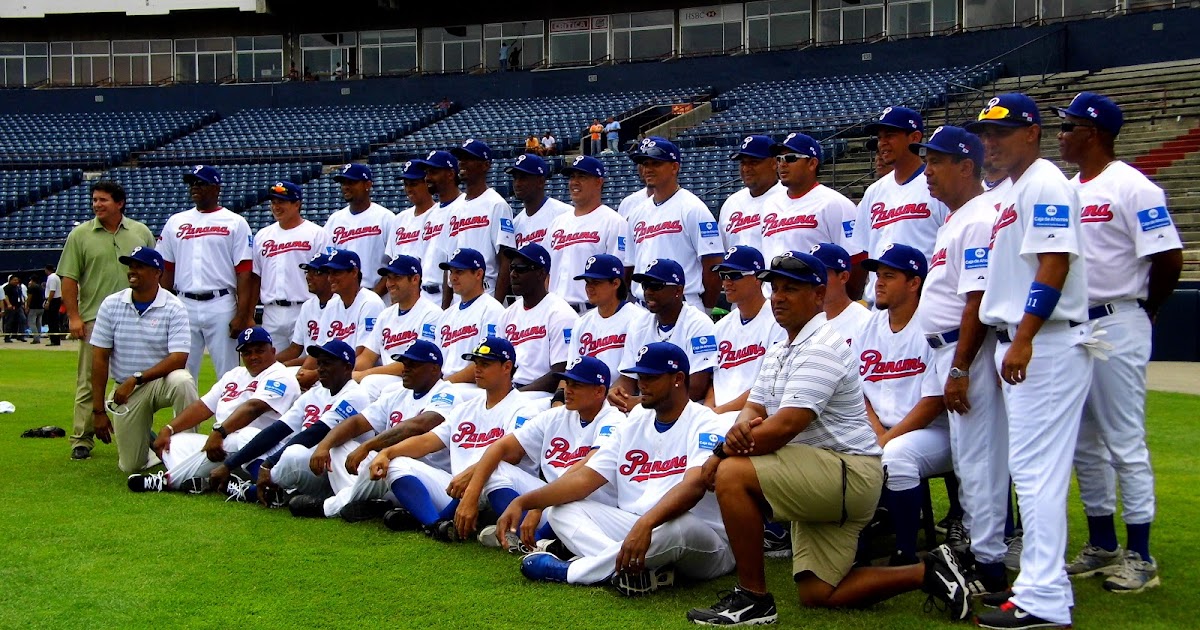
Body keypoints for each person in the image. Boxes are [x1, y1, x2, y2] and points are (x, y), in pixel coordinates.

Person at [684, 251, 970, 626]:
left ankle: (753, 599)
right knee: (819, 593)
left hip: (848, 472)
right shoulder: (781, 348)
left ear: (819, 296)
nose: (779, 296)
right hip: (821, 472)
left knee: (733, 474)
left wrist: (721, 453)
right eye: (776, 288)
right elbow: (755, 409)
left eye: (792, 288)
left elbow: (783, 427)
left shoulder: (821, 345)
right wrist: (743, 425)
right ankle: (927, 571)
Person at [966, 93, 1094, 629]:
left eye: (1002, 132)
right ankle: (1043, 589)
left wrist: (1023, 337)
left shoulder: (1042, 181)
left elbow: (1054, 263)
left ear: (1033, 133)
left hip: (1045, 342)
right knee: (1033, 471)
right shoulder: (1016, 188)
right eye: (986, 133)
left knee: (1037, 473)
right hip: (1029, 341)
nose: (990, 143)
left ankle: (1042, 600)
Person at [1057, 92, 1182, 593]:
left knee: (1125, 441)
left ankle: (1141, 554)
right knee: (1085, 443)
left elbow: (1168, 258)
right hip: (1073, 323)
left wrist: (1147, 308)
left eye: (1070, 127)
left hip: (1117, 316)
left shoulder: (1134, 187)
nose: (1061, 135)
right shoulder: (1066, 188)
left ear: (1095, 132)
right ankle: (1103, 543)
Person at [502, 342, 735, 597]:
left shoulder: (707, 422)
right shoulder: (634, 420)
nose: (641, 384)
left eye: (650, 377)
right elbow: (585, 478)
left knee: (679, 526)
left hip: (703, 539)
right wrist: (526, 502)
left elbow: (695, 486)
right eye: (639, 377)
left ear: (678, 379)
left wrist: (647, 523)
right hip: (637, 525)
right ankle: (636, 569)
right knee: (562, 511)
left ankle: (571, 572)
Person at [912, 125, 1010, 596]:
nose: (927, 172)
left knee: (978, 459)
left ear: (966, 165)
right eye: (927, 161)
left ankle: (989, 563)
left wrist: (959, 367)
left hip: (963, 349)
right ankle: (984, 548)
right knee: (972, 458)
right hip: (947, 349)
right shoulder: (958, 217)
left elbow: (977, 300)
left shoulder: (975, 217)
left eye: (937, 162)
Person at [368, 336, 540, 540]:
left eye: (485, 364)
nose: (477, 369)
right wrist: (387, 452)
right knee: (397, 462)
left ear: (507, 367)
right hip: (458, 490)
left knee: (493, 469)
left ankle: (525, 536)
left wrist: (471, 477)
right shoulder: (465, 409)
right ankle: (437, 525)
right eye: (476, 363)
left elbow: (513, 454)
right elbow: (427, 441)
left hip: (505, 491)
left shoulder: (524, 408)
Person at [287, 340, 465, 520]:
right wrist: (325, 444)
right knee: (339, 447)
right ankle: (370, 504)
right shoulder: (398, 393)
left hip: (434, 477)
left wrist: (368, 446)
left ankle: (330, 506)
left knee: (394, 461)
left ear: (434, 369)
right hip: (397, 473)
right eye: (404, 363)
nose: (405, 369)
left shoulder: (446, 393)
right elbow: (357, 422)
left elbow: (419, 425)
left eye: (413, 365)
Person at [463, 356, 625, 548]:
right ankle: (528, 538)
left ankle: (530, 541)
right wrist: (471, 494)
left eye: (577, 385)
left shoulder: (614, 421)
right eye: (568, 383)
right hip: (552, 501)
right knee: (497, 469)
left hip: (590, 508)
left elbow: (587, 469)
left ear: (599, 391)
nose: (568, 390)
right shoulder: (557, 415)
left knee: (565, 505)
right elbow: (500, 447)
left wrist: (541, 503)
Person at [857, 244, 952, 566]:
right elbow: (861, 393)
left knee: (897, 456)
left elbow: (934, 402)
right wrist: (876, 433)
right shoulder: (870, 325)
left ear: (914, 283)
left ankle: (905, 552)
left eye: (889, 276)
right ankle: (856, 546)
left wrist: (885, 440)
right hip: (880, 426)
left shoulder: (931, 324)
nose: (878, 283)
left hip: (935, 431)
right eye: (877, 275)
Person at [126, 327, 300, 493]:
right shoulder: (235, 374)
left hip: (262, 447)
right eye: (247, 352)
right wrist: (168, 429)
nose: (253, 356)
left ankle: (168, 481)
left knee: (244, 436)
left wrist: (219, 432)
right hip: (226, 445)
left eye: (259, 350)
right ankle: (211, 480)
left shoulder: (280, 375)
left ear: (273, 351)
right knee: (173, 443)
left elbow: (253, 408)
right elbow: (203, 406)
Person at [57, 180, 156, 460]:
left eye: (103, 200)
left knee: (137, 378)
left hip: (136, 318)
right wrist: (74, 317)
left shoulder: (141, 232)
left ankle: (142, 433)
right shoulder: (80, 235)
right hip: (95, 318)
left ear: (120, 203)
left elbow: (155, 272)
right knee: (89, 379)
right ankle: (81, 438)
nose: (97, 204)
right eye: (95, 200)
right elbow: (69, 278)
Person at [89, 246, 198, 473]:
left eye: (140, 267)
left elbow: (179, 358)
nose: (132, 271)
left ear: (157, 273)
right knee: (131, 465)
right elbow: (99, 358)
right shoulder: (111, 304)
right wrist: (98, 411)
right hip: (126, 390)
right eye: (131, 266)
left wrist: (137, 378)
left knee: (183, 380)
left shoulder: (174, 306)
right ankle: (148, 443)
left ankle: (188, 454)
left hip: (161, 382)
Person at [158, 165, 256, 382]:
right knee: (181, 373)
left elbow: (244, 271)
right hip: (183, 302)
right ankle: (183, 416)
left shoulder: (235, 222)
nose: (195, 187)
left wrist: (242, 314)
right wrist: (165, 306)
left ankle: (227, 416)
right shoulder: (176, 221)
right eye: (192, 183)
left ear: (216, 188)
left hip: (220, 302)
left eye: (201, 183)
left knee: (228, 373)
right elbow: (167, 268)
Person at [255, 339, 372, 504]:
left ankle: (255, 490)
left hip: (338, 472)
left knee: (293, 453)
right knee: (249, 436)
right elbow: (278, 429)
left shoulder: (355, 394)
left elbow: (316, 432)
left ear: (347, 367)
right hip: (313, 464)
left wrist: (268, 464)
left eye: (327, 363)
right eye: (319, 363)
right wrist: (229, 464)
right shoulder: (315, 393)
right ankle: (275, 490)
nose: (321, 369)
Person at [851, 107, 950, 302]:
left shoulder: (936, 186)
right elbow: (862, 252)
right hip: (878, 306)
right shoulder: (873, 192)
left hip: (924, 300)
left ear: (914, 137)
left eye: (890, 135)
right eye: (880, 137)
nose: (882, 143)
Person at [625, 137, 725, 309]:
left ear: (674, 167)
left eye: (655, 163)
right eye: (645, 163)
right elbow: (631, 265)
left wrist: (706, 309)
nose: (648, 169)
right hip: (642, 308)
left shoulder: (693, 209)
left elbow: (713, 265)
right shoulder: (636, 213)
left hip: (683, 305)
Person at [611, 259, 717, 411]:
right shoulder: (638, 324)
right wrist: (618, 395)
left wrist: (641, 403)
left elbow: (696, 388)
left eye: (656, 286)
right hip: (646, 411)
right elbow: (628, 378)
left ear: (678, 291)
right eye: (645, 285)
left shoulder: (699, 324)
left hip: (687, 413)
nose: (647, 292)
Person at [759, 133, 861, 273]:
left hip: (814, 292)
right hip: (772, 293)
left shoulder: (836, 203)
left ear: (812, 163)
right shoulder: (769, 204)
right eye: (779, 159)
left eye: (791, 158)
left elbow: (855, 259)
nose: (782, 164)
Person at [250, 181, 332, 351]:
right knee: (272, 367)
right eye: (273, 202)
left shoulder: (316, 234)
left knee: (307, 365)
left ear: (297, 204)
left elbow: (327, 275)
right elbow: (255, 277)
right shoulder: (262, 236)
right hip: (271, 311)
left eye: (281, 201)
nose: (276, 206)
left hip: (306, 307)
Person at [432, 139, 516, 304]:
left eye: (469, 158)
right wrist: (445, 308)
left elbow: (505, 260)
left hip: (486, 294)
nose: (462, 162)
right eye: (460, 158)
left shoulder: (497, 205)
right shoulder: (455, 209)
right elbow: (449, 262)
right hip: (458, 298)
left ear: (485, 165)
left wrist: (496, 305)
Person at [707, 246, 785, 414]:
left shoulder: (778, 322)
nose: (726, 282)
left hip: (754, 415)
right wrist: (707, 412)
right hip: (718, 416)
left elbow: (768, 387)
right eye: (723, 275)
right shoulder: (720, 327)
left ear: (758, 278)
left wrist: (719, 412)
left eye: (734, 275)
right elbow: (712, 381)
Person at [546, 156, 631, 312]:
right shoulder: (557, 223)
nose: (574, 182)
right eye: (572, 177)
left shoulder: (614, 222)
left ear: (599, 182)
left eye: (582, 177)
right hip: (556, 313)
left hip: (591, 311)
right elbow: (547, 273)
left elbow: (620, 275)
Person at [353, 254, 441, 398]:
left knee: (370, 382)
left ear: (415, 279)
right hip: (387, 378)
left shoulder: (431, 314)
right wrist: (346, 374)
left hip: (413, 379)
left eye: (397, 277)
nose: (390, 283)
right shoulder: (385, 315)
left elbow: (416, 363)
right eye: (388, 278)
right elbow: (367, 358)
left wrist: (364, 374)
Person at [497, 244, 578, 392]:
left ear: (541, 274)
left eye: (521, 269)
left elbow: (560, 372)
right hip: (511, 391)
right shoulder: (507, 315)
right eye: (512, 268)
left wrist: (513, 395)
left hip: (541, 395)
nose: (513, 274)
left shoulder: (561, 314)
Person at [566, 254, 647, 380]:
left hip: (623, 394)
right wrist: (559, 397)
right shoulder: (581, 323)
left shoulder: (639, 320)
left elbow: (634, 377)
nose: (589, 288)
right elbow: (571, 372)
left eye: (596, 282)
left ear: (615, 283)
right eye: (587, 282)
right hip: (587, 394)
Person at [435, 248, 506, 383]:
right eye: (451, 272)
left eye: (459, 272)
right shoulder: (446, 315)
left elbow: (487, 362)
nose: (453, 278)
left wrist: (445, 385)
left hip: (474, 387)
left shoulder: (492, 311)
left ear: (478, 274)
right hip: (447, 385)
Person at [324, 163, 393, 294]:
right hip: (342, 297)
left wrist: (374, 296)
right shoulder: (334, 220)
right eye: (343, 183)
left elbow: (394, 264)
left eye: (351, 182)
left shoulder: (386, 218)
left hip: (378, 294)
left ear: (367, 185)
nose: (346, 187)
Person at [413, 150, 465, 302]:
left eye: (433, 172)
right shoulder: (430, 214)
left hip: (449, 294)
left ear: (450, 174)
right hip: (424, 295)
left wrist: (446, 305)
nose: (427, 178)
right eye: (427, 173)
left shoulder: (464, 207)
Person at [718, 135, 783, 252]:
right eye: (743, 163)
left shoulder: (788, 197)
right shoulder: (731, 203)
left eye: (754, 162)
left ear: (774, 163)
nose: (746, 169)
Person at [809, 242, 871, 347]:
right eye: (810, 274)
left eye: (821, 274)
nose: (815, 280)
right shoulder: (800, 322)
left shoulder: (866, 323)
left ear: (843, 277)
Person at [276, 253, 333, 367]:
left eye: (316, 272)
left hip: (328, 367)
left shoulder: (339, 305)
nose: (308, 277)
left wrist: (285, 365)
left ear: (330, 276)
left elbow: (325, 355)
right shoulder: (307, 306)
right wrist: (269, 363)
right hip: (308, 366)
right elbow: (295, 348)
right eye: (308, 272)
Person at [508, 153, 572, 250]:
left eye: (523, 178)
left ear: (540, 181)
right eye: (515, 178)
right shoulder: (516, 223)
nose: (517, 184)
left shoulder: (565, 214)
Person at [384, 161, 436, 281]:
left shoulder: (440, 215)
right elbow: (392, 259)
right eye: (406, 184)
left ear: (427, 183)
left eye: (413, 184)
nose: (408, 189)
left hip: (431, 290)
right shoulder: (399, 220)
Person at [2, 275, 25, 342]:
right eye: (14, 280)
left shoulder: (18, 287)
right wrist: (9, 304)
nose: (16, 281)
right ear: (10, 280)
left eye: (17, 280)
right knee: (9, 321)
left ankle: (21, 336)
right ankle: (7, 337)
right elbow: (5, 296)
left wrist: (22, 303)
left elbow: (20, 296)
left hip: (18, 306)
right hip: (11, 307)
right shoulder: (7, 287)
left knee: (23, 319)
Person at [44, 264, 63, 346]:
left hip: (53, 300)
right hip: (57, 299)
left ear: (46, 270)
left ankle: (54, 340)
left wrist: (48, 302)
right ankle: (56, 340)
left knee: (52, 321)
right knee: (54, 321)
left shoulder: (51, 278)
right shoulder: (57, 277)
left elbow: (52, 290)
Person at [26, 276, 44, 344]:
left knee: (32, 323)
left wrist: (27, 306)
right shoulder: (40, 287)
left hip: (33, 308)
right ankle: (38, 337)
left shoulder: (31, 287)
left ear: (32, 280)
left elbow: (29, 298)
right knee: (38, 323)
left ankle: (36, 338)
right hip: (41, 308)